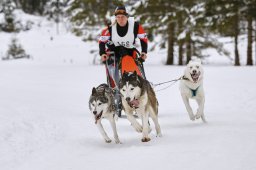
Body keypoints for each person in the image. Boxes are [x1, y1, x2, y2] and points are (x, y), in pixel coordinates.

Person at [98, 6, 148, 116]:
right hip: (114, 55)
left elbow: (143, 39)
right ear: (115, 18)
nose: (120, 19)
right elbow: (102, 41)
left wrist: (144, 52)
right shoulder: (109, 28)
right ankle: (117, 99)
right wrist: (102, 53)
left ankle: (144, 97)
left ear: (127, 17)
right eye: (118, 17)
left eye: (123, 17)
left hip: (130, 54)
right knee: (116, 78)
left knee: (139, 76)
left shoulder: (135, 26)